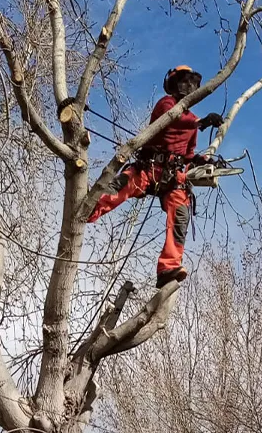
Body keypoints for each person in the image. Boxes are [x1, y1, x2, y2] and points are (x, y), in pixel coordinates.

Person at [87, 65, 223, 288]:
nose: (188, 86)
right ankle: (88, 209)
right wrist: (201, 123)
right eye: (184, 81)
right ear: (175, 84)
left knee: (181, 217)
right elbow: (174, 118)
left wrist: (202, 160)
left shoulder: (193, 120)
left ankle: (169, 266)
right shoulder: (166, 104)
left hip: (172, 177)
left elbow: (188, 152)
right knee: (117, 189)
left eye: (192, 83)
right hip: (148, 169)